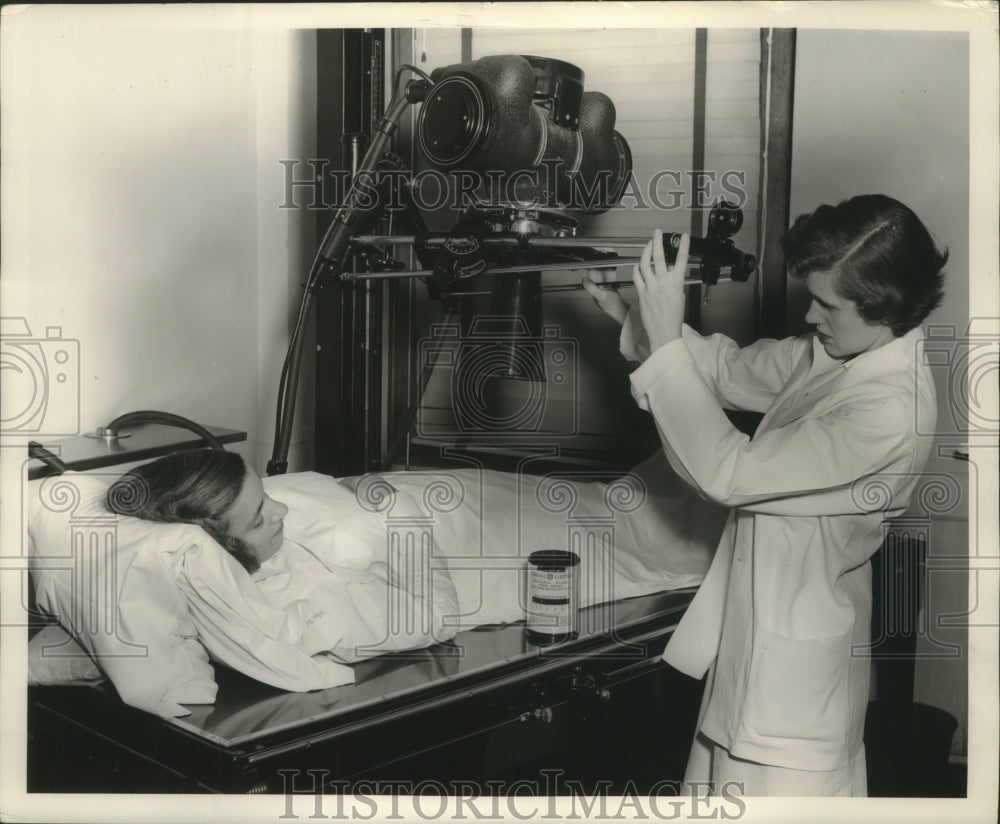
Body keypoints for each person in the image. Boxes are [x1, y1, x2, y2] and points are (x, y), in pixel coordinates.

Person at [582, 194, 947, 797]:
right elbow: (726, 371)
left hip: (795, 704)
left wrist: (669, 336)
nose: (810, 316)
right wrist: (634, 314)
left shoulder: (889, 411)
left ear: (886, 306)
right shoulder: (839, 355)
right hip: (746, 662)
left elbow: (729, 472)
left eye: (827, 303)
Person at [106, 449, 460, 663]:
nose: (282, 508)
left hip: (410, 485)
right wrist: (400, 507)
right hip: (452, 524)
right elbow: (441, 616)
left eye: (264, 490)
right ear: (227, 551)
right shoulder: (310, 609)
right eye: (260, 518)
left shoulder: (226, 509)